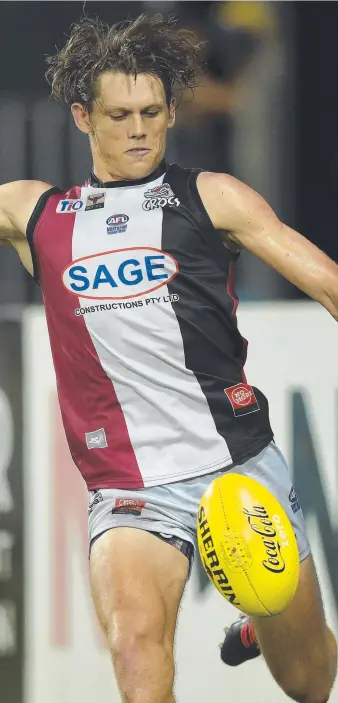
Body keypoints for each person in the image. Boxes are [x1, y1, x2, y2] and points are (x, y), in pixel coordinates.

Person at [0, 13, 337, 703]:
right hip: (131, 488)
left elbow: (328, 283)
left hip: (238, 466)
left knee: (311, 680)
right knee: (134, 641)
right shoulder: (37, 214)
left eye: (152, 111)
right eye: (119, 114)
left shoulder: (211, 197)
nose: (139, 129)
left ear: (171, 111)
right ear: (82, 116)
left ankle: (260, 620)